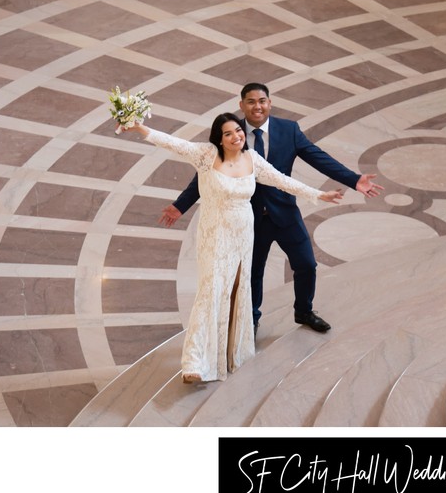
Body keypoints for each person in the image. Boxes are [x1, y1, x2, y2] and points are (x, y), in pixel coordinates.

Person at [122, 113, 344, 383]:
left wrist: (319, 194)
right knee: (211, 289)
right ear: (219, 138)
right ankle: (193, 361)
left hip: (243, 233)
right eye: (228, 133)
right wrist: (140, 128)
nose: (236, 136)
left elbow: (283, 181)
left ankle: (230, 353)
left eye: (238, 131)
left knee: (238, 289)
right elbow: (173, 143)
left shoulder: (253, 160)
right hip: (215, 233)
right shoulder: (206, 155)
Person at [160, 83, 383, 336]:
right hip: (250, 218)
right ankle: (251, 320)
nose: (258, 106)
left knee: (307, 265)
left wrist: (353, 180)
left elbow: (319, 157)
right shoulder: (233, 133)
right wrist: (181, 206)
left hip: (285, 212)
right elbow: (208, 173)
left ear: (270, 103)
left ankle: (304, 310)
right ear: (241, 105)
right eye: (251, 102)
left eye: (262, 101)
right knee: (253, 272)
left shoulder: (289, 130)